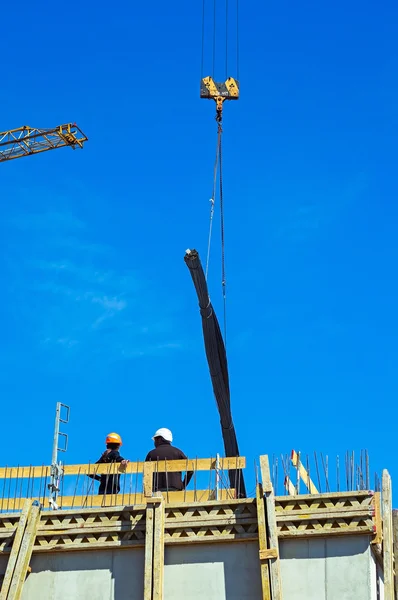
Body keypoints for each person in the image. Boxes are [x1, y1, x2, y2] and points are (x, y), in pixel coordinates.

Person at [145, 428, 193, 492]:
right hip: (176, 489)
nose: (154, 442)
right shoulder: (178, 452)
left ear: (160, 439)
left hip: (157, 490)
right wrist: (183, 485)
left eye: (155, 439)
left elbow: (146, 474)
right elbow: (191, 470)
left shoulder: (151, 454)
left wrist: (148, 491)